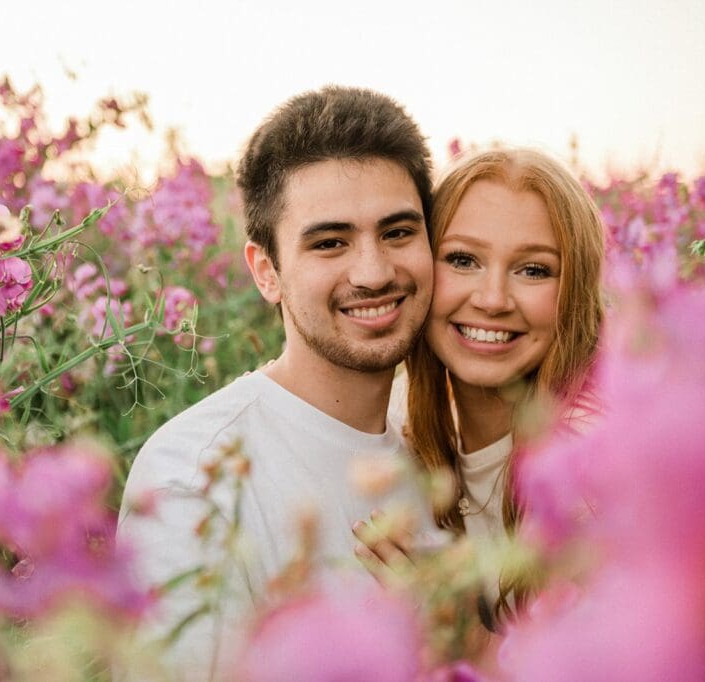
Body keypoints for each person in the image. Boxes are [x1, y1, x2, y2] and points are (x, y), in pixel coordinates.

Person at [117, 86, 445, 678]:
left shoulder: (438, 441)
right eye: (330, 243)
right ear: (267, 271)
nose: (373, 272)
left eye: (398, 232)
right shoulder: (195, 479)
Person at [355, 147, 606, 625]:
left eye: (533, 270)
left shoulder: (596, 468)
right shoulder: (395, 421)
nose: (492, 300)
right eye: (463, 259)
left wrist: (466, 640)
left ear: (573, 292)